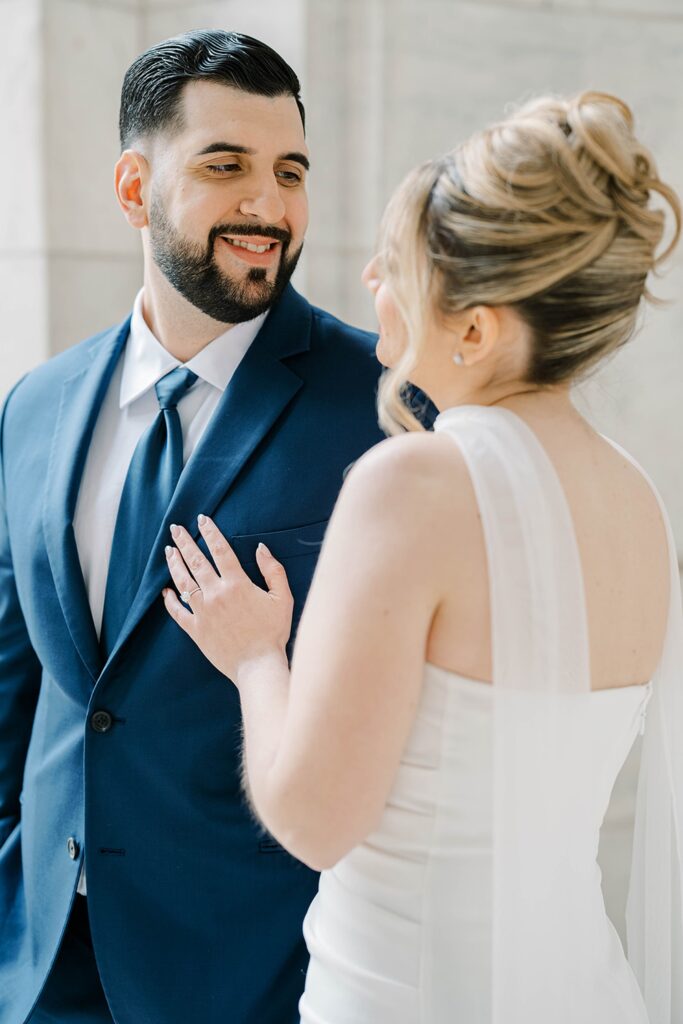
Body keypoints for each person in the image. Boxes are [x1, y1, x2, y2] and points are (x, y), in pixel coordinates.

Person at [163, 92, 683, 1021]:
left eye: (396, 267)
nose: (368, 279)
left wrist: (253, 658)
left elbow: (315, 819)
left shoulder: (416, 482)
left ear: (475, 330)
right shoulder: (639, 501)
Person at [0, 29, 385, 1024]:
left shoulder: (381, 404)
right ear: (134, 187)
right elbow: (19, 682)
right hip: (39, 961)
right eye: (226, 166)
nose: (268, 205)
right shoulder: (36, 404)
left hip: (253, 971)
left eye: (289, 171)